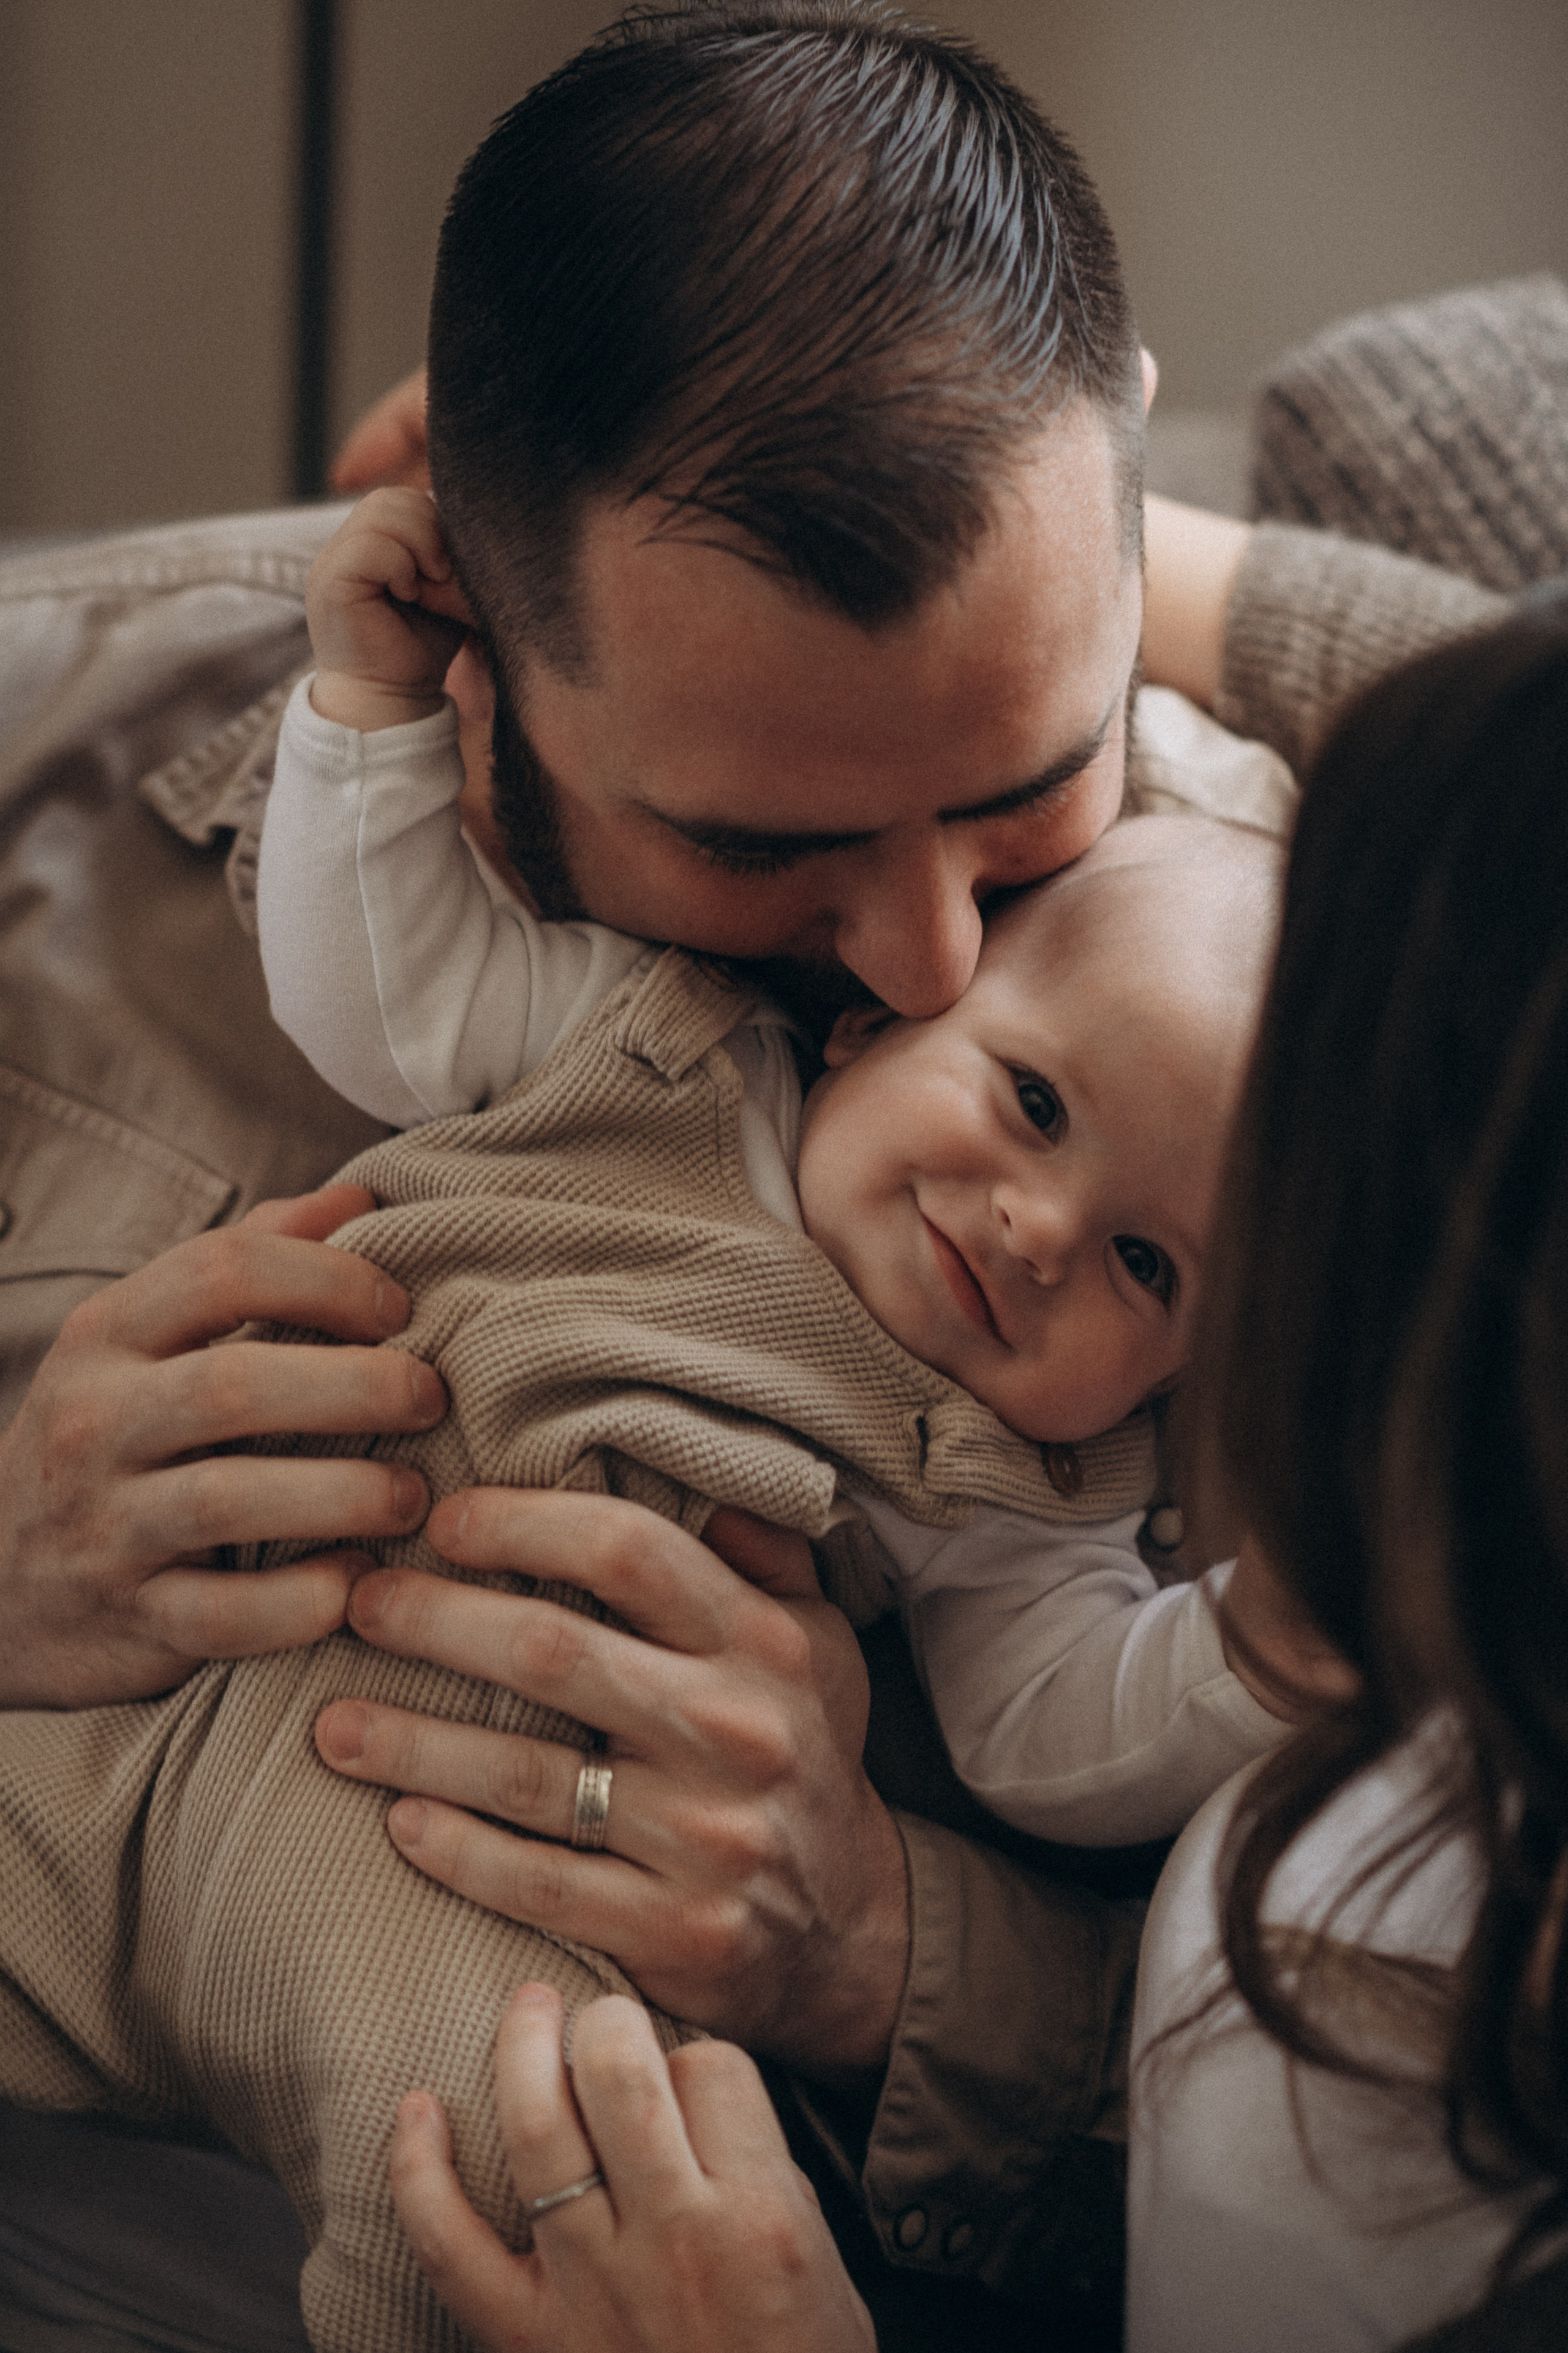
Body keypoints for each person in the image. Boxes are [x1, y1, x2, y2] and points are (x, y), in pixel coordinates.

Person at [0, 6, 1545, 2343]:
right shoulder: (62, 773)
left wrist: (884, 1948)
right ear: (488, 667)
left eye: (1029, 789)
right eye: (768, 845)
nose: (930, 958)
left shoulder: (1295, 956)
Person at [374, 591, 1568, 2353]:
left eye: (1155, 1269)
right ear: (874, 1017)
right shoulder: (678, 1055)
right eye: (1030, 1103)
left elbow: (1054, 1716)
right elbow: (391, 983)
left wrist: (1249, 1645)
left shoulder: (1041, 1479)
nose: (1033, 1231)